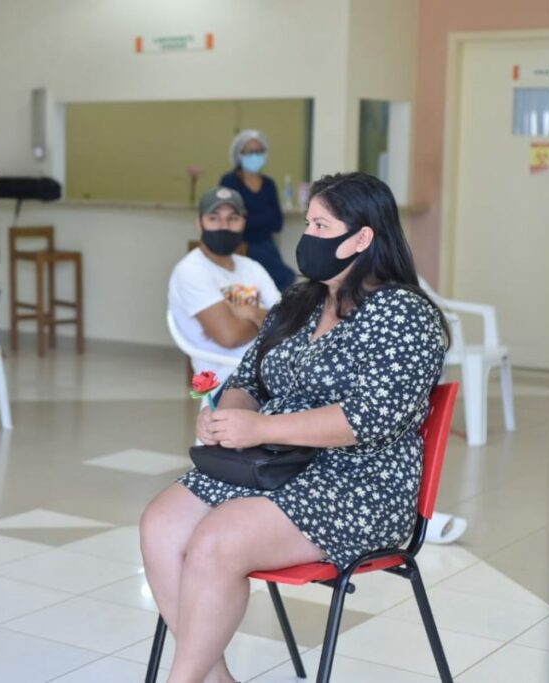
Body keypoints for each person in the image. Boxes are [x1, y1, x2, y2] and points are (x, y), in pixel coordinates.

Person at [141, 172, 448, 683]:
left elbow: (364, 419)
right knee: (161, 524)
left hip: (359, 484)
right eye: (308, 222)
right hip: (275, 464)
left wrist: (261, 426)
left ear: (362, 237)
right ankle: (213, 678)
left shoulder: (403, 314)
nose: (307, 236)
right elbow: (248, 379)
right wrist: (227, 416)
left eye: (321, 224)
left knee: (218, 540)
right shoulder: (299, 302)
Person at [168, 187, 281, 379]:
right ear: (200, 223)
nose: (224, 226)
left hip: (268, 365)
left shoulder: (252, 267)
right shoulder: (191, 270)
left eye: (233, 219)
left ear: (243, 223)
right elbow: (230, 337)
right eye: (214, 218)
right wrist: (264, 321)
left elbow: (285, 322)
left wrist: (251, 312)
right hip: (223, 377)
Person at [219, 130, 296, 292]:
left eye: (259, 151)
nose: (255, 155)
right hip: (240, 245)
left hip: (267, 245)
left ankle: (270, 317)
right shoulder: (230, 181)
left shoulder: (269, 184)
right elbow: (231, 219)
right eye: (250, 151)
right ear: (239, 154)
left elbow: (277, 223)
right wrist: (263, 216)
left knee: (279, 285)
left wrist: (250, 217)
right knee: (285, 277)